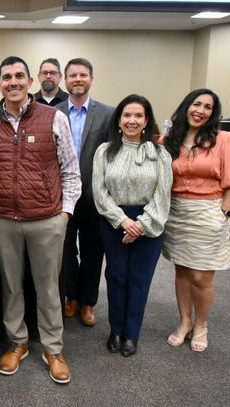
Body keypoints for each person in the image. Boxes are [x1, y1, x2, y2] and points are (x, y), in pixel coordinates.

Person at [0, 56, 81, 384]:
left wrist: (64, 215)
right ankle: (18, 342)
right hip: (1, 219)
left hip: (46, 219)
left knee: (48, 288)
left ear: (29, 81)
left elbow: (71, 170)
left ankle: (53, 348)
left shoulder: (54, 117)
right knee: (11, 286)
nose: (13, 82)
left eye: (19, 76)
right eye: (6, 77)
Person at [92, 94, 172, 357]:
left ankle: (131, 334)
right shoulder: (104, 151)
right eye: (127, 115)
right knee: (116, 277)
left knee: (139, 280)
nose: (132, 120)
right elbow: (99, 192)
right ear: (119, 120)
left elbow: (163, 195)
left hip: (149, 223)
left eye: (138, 116)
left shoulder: (160, 153)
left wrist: (141, 225)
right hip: (114, 221)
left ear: (146, 120)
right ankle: (115, 330)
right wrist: (123, 221)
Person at [162, 89, 230, 352]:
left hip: (209, 212)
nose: (200, 110)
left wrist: (223, 213)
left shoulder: (223, 139)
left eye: (208, 107)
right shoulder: (170, 139)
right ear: (186, 106)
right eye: (196, 104)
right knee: (182, 271)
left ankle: (201, 324)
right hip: (177, 212)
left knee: (201, 276)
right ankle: (185, 322)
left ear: (213, 114)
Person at [56, 58, 114, 326]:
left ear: (91, 78)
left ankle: (88, 302)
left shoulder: (108, 114)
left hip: (95, 197)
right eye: (72, 75)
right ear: (64, 80)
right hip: (62, 198)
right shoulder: (54, 113)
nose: (77, 79)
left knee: (93, 252)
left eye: (83, 75)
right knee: (66, 253)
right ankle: (71, 297)